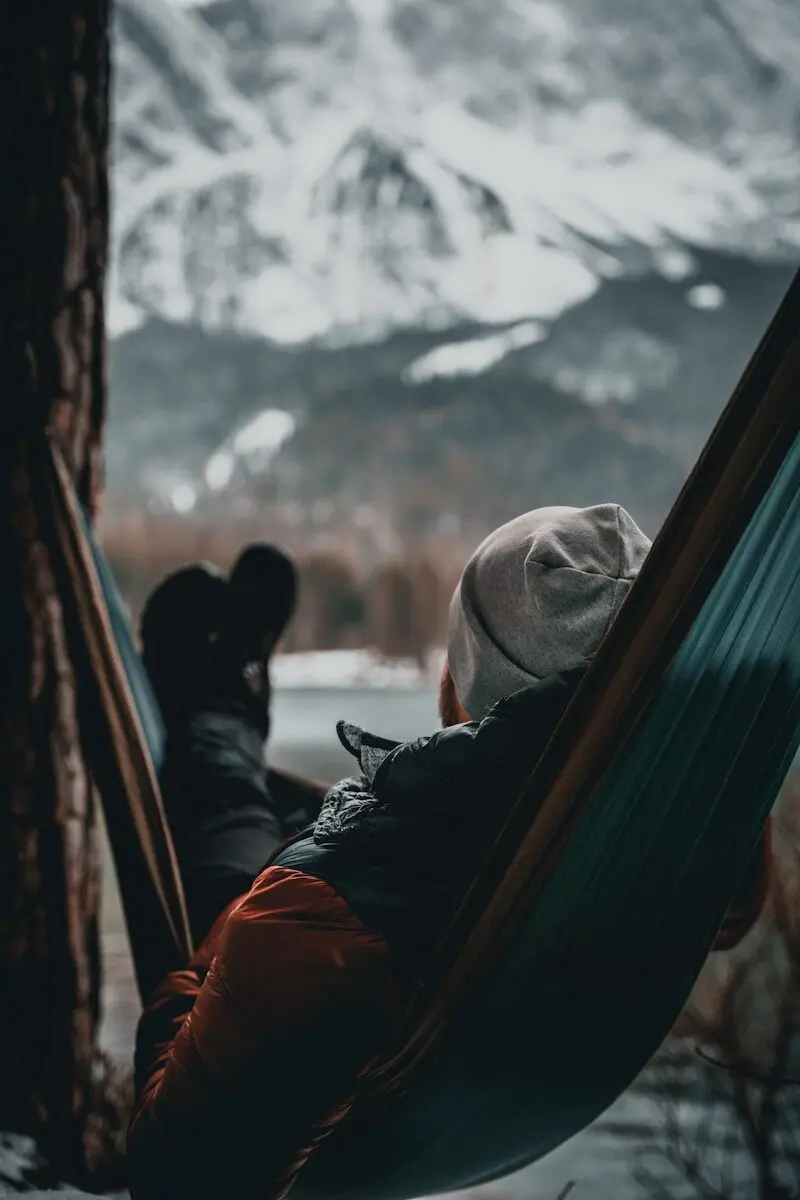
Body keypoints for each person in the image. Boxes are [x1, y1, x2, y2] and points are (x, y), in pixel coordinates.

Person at [127, 507, 772, 1200]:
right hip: (454, 1020)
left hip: (315, 1033)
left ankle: (222, 708)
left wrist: (228, 935)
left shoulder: (315, 921)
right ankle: (236, 700)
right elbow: (735, 909)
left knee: (225, 799)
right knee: (290, 807)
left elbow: (174, 1175)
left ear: (464, 684)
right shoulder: (690, 828)